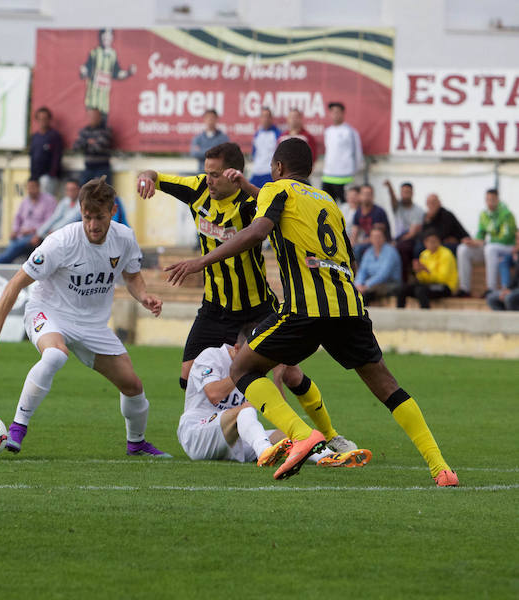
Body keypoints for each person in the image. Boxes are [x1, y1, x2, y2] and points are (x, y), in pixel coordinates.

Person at [164, 138, 458, 487]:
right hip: (348, 306)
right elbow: (345, 253)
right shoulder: (327, 201)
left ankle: (303, 434)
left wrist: (201, 261)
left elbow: (258, 229)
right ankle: (440, 467)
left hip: (305, 308)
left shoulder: (276, 189)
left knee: (243, 367)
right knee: (386, 386)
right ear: (311, 170)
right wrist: (247, 187)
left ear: (277, 168)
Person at [137, 142, 358, 454]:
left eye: (215, 174)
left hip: (256, 307)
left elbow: (274, 208)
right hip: (214, 307)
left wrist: (248, 186)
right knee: (188, 376)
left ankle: (320, 436)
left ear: (232, 174)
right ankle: (223, 429)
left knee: (287, 371)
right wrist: (145, 177)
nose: (209, 179)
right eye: (207, 173)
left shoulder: (250, 203)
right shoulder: (197, 189)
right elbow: (156, 176)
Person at [0, 176, 170, 458]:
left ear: (113, 212)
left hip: (92, 325)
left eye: (99, 217)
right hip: (49, 311)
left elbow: (132, 276)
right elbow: (16, 282)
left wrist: (144, 296)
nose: (92, 224)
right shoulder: (61, 242)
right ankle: (17, 428)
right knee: (55, 355)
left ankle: (136, 444)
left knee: (133, 386)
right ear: (80, 211)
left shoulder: (124, 238)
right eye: (87, 216)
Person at [179, 333, 372, 469]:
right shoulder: (212, 356)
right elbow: (214, 393)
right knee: (245, 410)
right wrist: (241, 373)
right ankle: (264, 451)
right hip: (196, 434)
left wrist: (276, 379)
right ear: (237, 348)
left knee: (286, 433)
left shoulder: (252, 367)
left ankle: (328, 457)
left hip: (233, 443)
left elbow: (275, 409)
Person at [455, 189, 517, 297]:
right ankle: (465, 289)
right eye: (487, 199)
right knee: (463, 249)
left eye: (492, 199)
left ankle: (491, 288)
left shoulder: (507, 214)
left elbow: (506, 238)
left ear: (498, 199)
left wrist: (483, 243)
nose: (490, 202)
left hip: (508, 247)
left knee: (490, 248)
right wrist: (473, 242)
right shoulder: (484, 215)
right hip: (491, 247)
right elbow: (481, 234)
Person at [0, 178, 57, 264]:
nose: (30, 190)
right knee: (12, 246)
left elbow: (49, 221)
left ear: (38, 187)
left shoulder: (49, 200)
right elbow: (18, 217)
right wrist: (15, 230)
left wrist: (32, 230)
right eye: (29, 188)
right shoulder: (25, 201)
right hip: (21, 234)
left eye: (33, 187)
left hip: (36, 234)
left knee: (14, 248)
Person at [78, 27, 135, 122]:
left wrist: (128, 72)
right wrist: (84, 72)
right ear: (100, 38)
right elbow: (87, 70)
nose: (106, 40)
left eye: (108, 38)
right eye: (104, 37)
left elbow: (117, 73)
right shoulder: (95, 53)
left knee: (103, 128)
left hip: (104, 103)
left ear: (112, 38)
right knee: (92, 126)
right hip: (92, 100)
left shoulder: (113, 54)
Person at [397, 231, 457, 309]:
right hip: (429, 285)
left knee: (421, 291)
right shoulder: (424, 254)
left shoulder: (446, 254)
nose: (431, 244)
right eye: (428, 241)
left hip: (445, 287)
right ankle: (400, 316)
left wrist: (427, 271)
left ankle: (426, 317)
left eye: (434, 241)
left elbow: (442, 279)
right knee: (403, 289)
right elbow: (422, 280)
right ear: (425, 243)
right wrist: (419, 271)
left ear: (439, 242)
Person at [321, 102, 363, 204]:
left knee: (346, 207)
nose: (335, 114)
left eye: (337, 112)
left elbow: (357, 153)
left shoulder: (350, 132)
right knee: (327, 207)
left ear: (343, 113)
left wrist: (354, 171)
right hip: (328, 176)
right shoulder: (328, 131)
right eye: (333, 112)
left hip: (345, 177)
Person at [384, 180, 424, 281]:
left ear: (412, 193)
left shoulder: (418, 210)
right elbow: (393, 200)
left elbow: (412, 233)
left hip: (411, 239)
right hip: (398, 239)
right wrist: (390, 188)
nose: (405, 195)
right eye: (403, 192)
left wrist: (396, 242)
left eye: (408, 192)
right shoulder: (398, 207)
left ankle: (403, 281)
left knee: (401, 248)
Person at [355, 226, 401, 304]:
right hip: (372, 284)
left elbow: (383, 275)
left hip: (390, 283)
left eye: (379, 237)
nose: (376, 239)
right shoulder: (369, 252)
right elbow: (362, 271)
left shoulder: (390, 252)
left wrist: (366, 286)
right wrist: (358, 284)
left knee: (366, 295)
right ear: (370, 238)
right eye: (374, 237)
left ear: (384, 238)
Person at [31, 179, 82, 247]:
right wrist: (39, 233)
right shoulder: (65, 201)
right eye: (68, 190)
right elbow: (54, 218)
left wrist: (54, 231)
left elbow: (69, 221)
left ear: (79, 190)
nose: (70, 192)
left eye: (73, 189)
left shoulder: (81, 204)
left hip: (69, 236)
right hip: (54, 233)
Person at [351, 184, 390, 264]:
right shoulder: (358, 212)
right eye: (364, 194)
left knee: (358, 249)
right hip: (365, 241)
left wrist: (358, 243)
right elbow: (354, 232)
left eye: (369, 194)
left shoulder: (379, 212)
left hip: (380, 242)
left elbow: (378, 236)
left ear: (373, 196)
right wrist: (350, 244)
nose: (366, 197)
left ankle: (359, 273)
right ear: (360, 196)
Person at [73, 108, 113, 186]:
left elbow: (99, 148)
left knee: (102, 192)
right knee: (84, 192)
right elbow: (76, 146)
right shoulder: (84, 130)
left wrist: (86, 143)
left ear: (100, 117)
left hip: (103, 168)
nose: (93, 118)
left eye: (95, 116)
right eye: (91, 116)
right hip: (88, 167)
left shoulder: (106, 130)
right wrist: (90, 142)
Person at [29, 107, 63, 196]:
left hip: (48, 177)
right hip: (36, 177)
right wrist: (33, 177)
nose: (42, 121)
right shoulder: (35, 137)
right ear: (37, 120)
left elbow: (57, 156)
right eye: (40, 119)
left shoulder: (54, 136)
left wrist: (52, 174)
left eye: (45, 118)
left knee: (47, 201)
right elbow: (32, 156)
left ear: (49, 119)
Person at [487, 233, 519, 310]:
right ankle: (504, 321)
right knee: (491, 298)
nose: (517, 241)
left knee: (509, 298)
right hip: (515, 289)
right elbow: (516, 277)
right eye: (517, 239)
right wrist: (507, 289)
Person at [250, 107, 281, 187]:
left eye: (267, 116)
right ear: (260, 118)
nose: (265, 119)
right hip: (256, 173)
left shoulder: (277, 134)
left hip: (269, 173)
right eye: (263, 116)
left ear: (271, 118)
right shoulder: (257, 134)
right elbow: (254, 152)